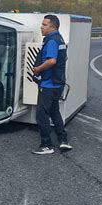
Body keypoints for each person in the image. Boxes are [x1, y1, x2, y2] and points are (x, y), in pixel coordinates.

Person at [31, 15, 72, 155]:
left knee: (41, 115)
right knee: (55, 112)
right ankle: (63, 140)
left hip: (48, 85)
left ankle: (46, 144)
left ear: (53, 27)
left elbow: (52, 61)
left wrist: (38, 69)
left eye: (44, 25)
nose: (41, 27)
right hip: (57, 83)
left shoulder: (52, 41)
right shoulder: (59, 39)